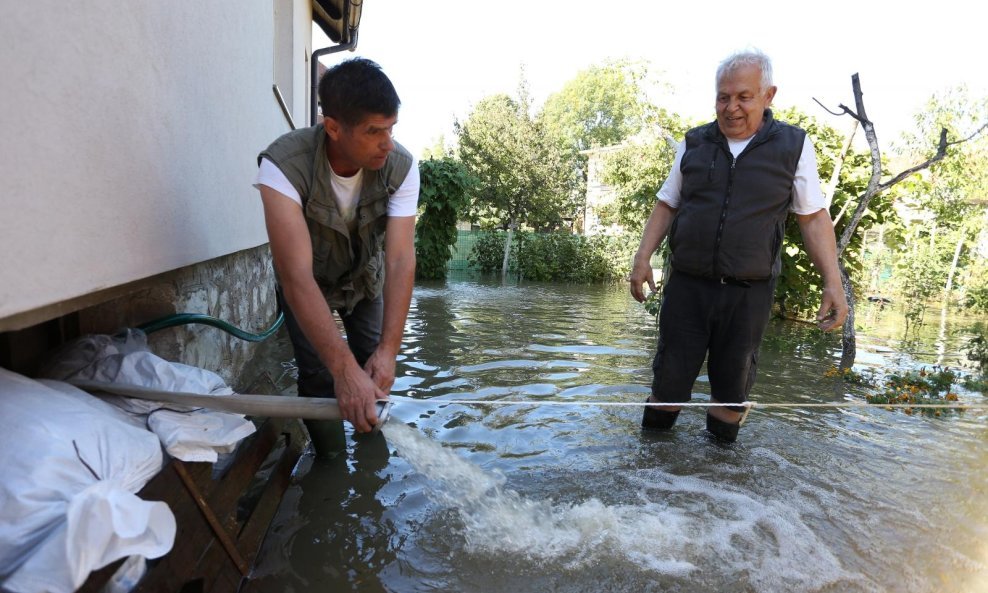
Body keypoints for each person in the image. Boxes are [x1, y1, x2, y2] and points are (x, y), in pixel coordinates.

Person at [629, 49, 848, 443]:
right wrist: (642, 257)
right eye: (723, 97)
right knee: (667, 390)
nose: (731, 108)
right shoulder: (694, 142)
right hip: (688, 289)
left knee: (731, 397)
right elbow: (667, 202)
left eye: (743, 97)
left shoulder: (793, 146)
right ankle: (648, 480)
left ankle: (721, 489)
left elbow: (813, 217)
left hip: (749, 295)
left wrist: (833, 282)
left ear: (768, 95)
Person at [254, 58, 419, 456]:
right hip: (307, 283)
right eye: (374, 131)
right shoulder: (282, 167)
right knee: (318, 374)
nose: (388, 143)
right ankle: (329, 462)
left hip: (365, 282)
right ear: (332, 127)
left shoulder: (402, 168)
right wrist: (342, 373)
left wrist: (389, 352)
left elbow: (399, 260)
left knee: (373, 371)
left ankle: (370, 459)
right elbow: (295, 277)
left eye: (391, 128)